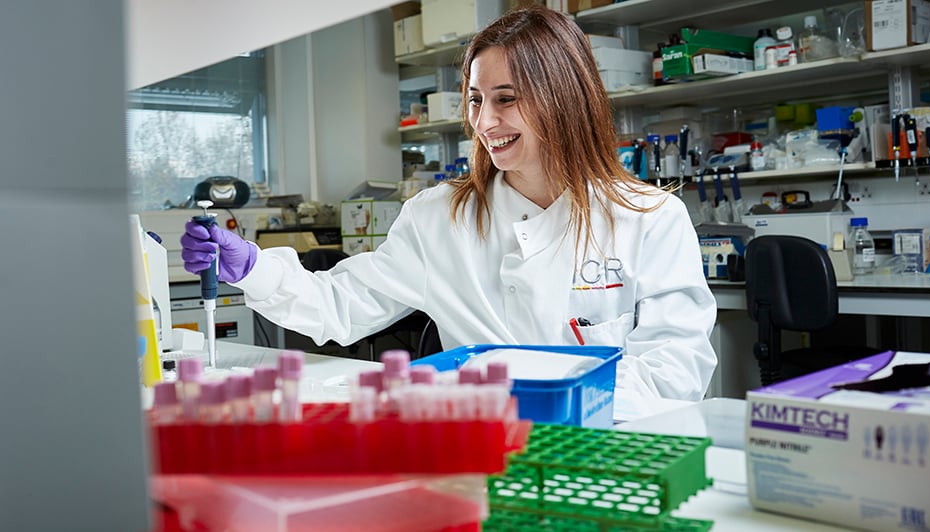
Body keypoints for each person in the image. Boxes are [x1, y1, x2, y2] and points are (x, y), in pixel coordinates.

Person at [181, 5, 717, 400]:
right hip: (479, 451)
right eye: (477, 100)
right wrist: (253, 268)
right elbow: (341, 308)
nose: (484, 123)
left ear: (563, 98)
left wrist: (547, 393)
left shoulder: (647, 218)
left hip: (608, 454)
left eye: (507, 99)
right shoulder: (440, 218)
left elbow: (675, 375)